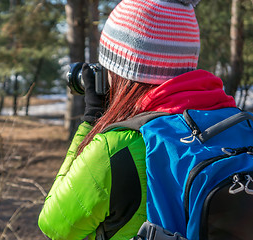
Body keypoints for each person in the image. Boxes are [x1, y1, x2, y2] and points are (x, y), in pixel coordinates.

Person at [38, 0, 237, 239]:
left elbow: (54, 224)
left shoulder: (117, 147)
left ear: (122, 73)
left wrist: (91, 121)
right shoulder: (238, 126)